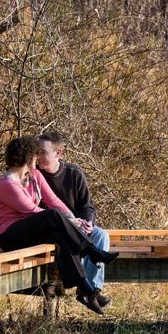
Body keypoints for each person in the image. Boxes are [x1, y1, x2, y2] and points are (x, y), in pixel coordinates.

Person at [0, 135, 118, 315]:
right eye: (35, 154)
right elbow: (33, 211)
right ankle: (91, 250)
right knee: (50, 215)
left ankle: (87, 289)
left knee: (59, 238)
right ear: (27, 158)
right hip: (10, 235)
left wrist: (72, 219)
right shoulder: (7, 184)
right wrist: (70, 221)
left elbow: (54, 201)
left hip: (31, 230)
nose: (38, 157)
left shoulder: (34, 176)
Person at [33, 130, 111, 309]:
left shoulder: (73, 173)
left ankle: (92, 290)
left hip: (76, 224)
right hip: (52, 229)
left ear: (58, 153)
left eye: (43, 152)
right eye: (36, 152)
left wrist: (87, 223)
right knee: (74, 238)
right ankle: (86, 289)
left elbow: (87, 205)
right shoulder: (34, 175)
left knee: (101, 236)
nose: (38, 156)